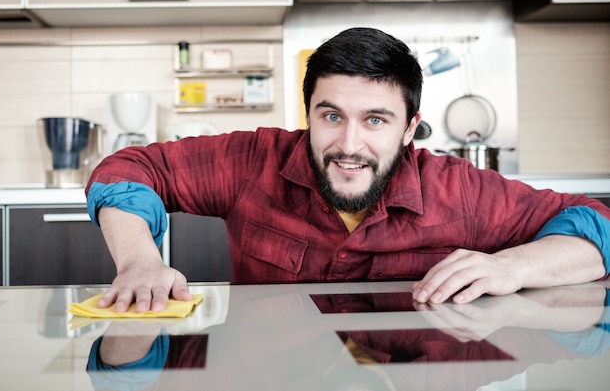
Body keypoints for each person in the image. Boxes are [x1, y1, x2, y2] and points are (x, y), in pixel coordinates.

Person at [85, 27, 610, 313]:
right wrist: (139, 262)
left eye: (376, 120)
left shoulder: (461, 190)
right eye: (331, 115)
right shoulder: (254, 160)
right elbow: (129, 165)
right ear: (308, 113)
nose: (348, 145)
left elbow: (596, 223)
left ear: (410, 129)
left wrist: (512, 267)